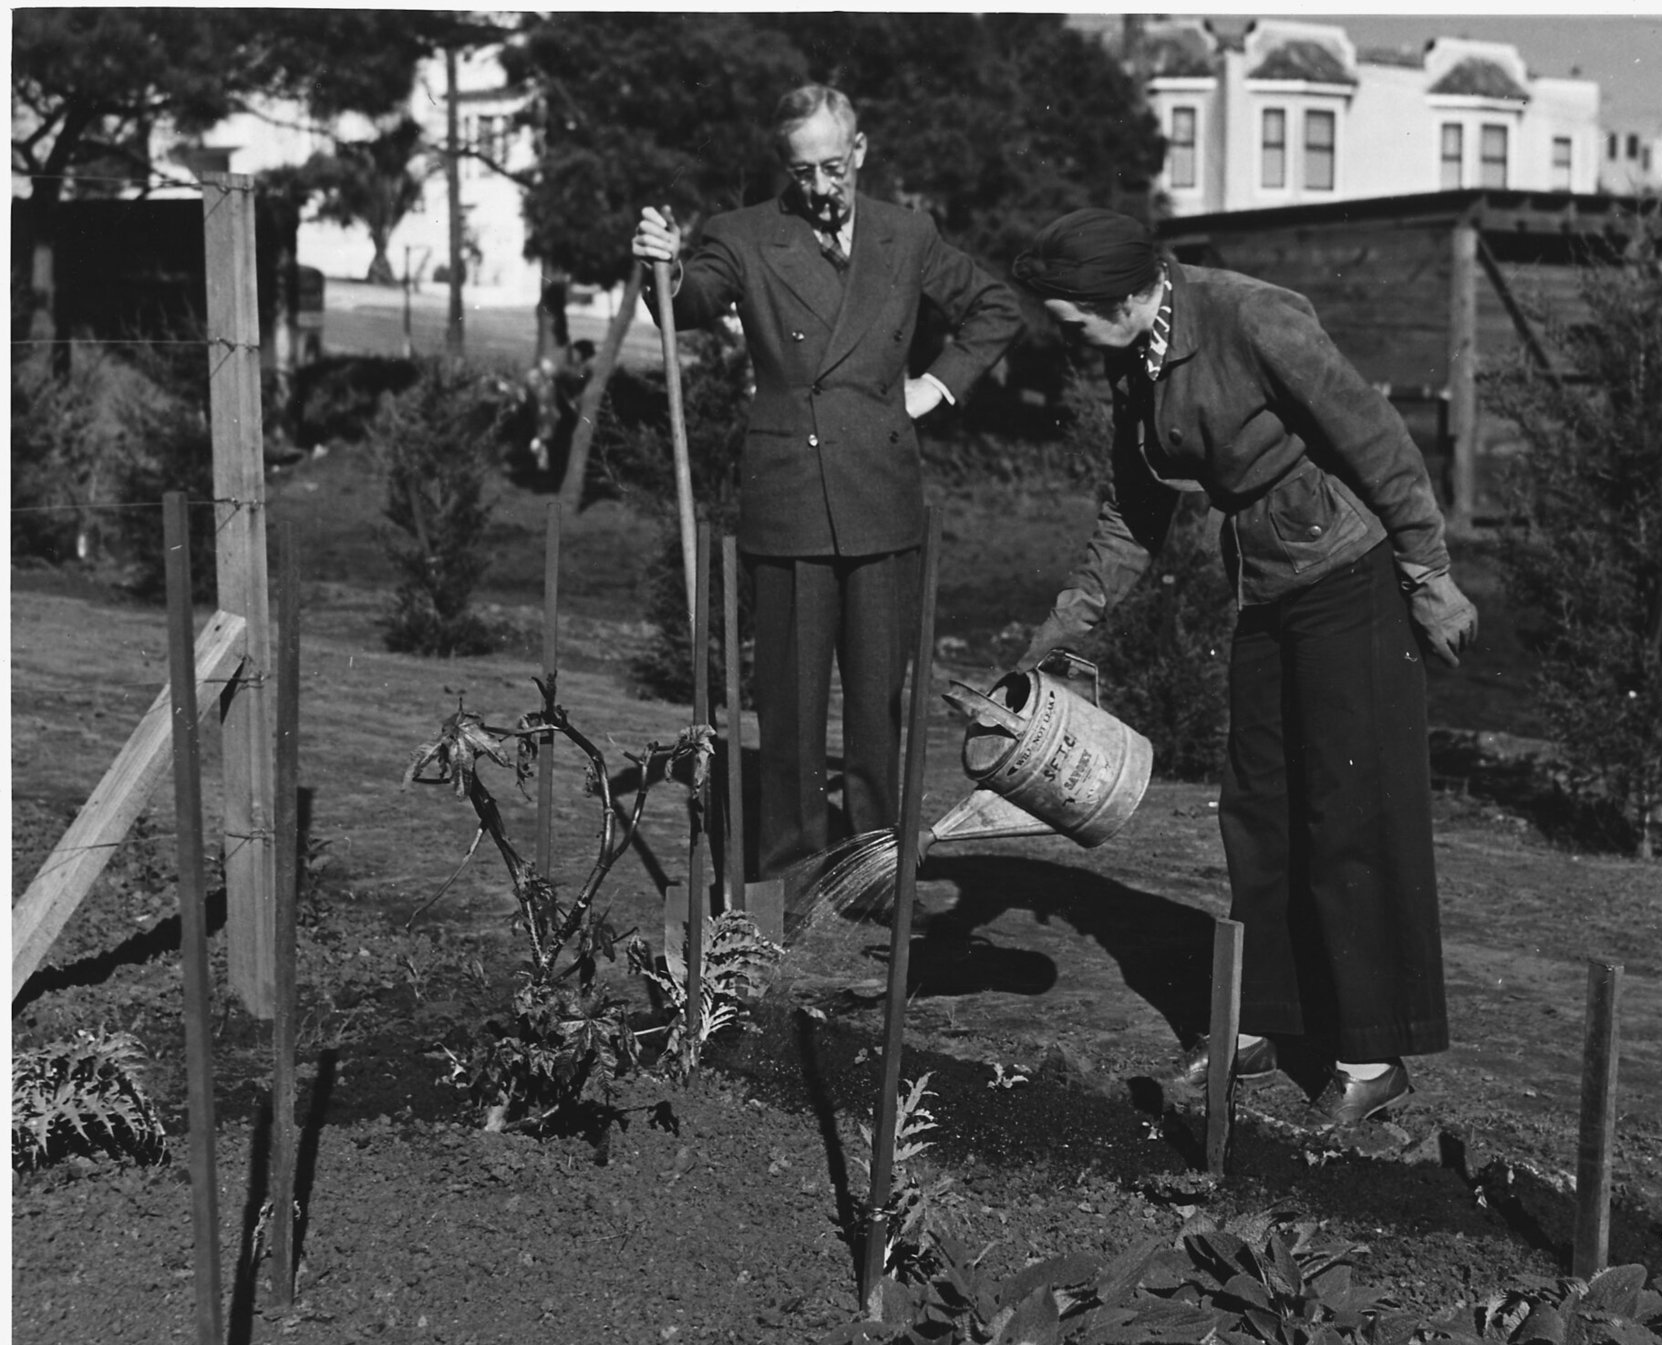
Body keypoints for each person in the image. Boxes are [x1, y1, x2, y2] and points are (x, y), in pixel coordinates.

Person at [1009, 208, 1477, 1128]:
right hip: (1266, 584)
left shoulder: (1250, 316)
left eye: (1072, 319)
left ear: (1126, 294)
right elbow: (1131, 512)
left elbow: (1376, 439)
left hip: (1352, 575)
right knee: (1257, 809)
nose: (1067, 339)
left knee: (1348, 815)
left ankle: (1369, 1056)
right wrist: (1063, 631)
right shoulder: (1134, 355)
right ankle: (1259, 1021)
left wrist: (1428, 573)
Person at [631, 84, 1022, 881]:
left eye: (833, 166)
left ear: (861, 151)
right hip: (791, 494)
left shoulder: (907, 233)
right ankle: (787, 856)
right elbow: (693, 299)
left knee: (880, 696)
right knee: (790, 700)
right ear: (785, 165)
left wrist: (934, 388)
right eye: (802, 169)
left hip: (881, 487)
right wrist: (664, 271)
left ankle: (875, 858)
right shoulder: (742, 235)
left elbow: (994, 305)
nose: (819, 185)